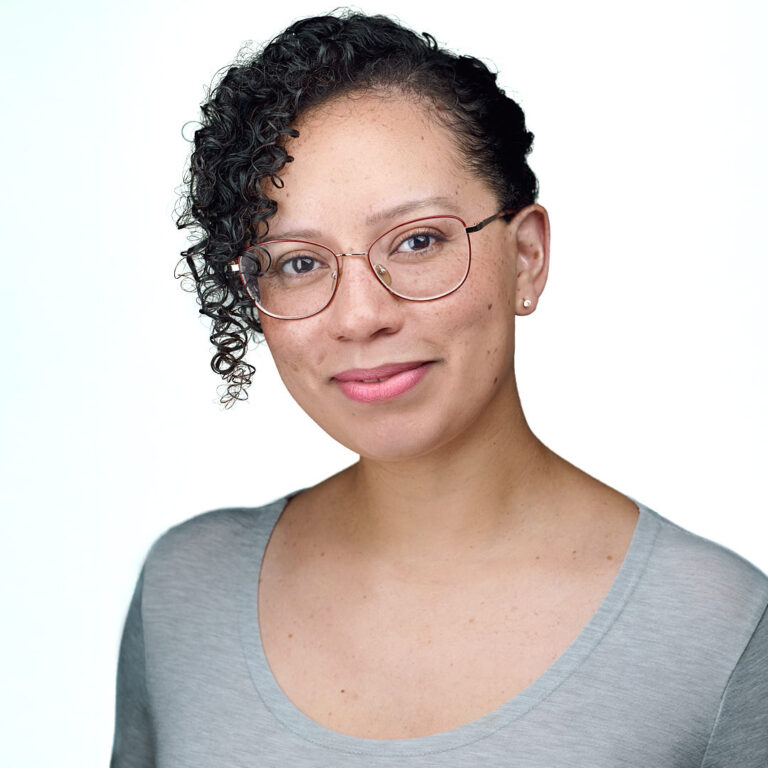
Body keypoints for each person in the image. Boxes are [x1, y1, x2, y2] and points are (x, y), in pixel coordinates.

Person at [111, 11, 768, 766]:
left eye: (418, 242)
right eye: (297, 262)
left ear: (525, 257)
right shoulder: (184, 594)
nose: (361, 316)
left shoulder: (716, 632)